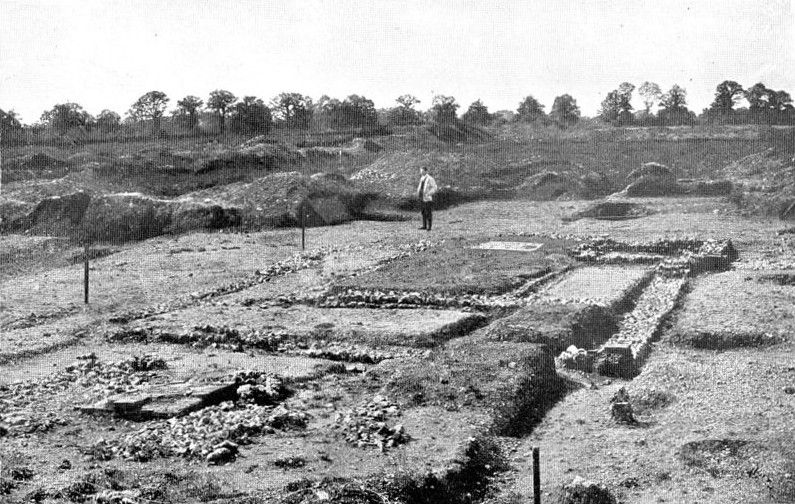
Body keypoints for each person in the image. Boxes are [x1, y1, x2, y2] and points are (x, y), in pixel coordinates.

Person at [416, 166, 438, 231]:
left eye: (422, 171)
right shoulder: (422, 178)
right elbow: (420, 187)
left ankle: (429, 227)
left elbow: (434, 187)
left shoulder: (430, 178)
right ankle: (424, 226)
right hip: (421, 197)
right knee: (423, 212)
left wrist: (429, 193)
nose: (421, 173)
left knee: (428, 212)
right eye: (421, 172)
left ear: (426, 171)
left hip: (427, 198)